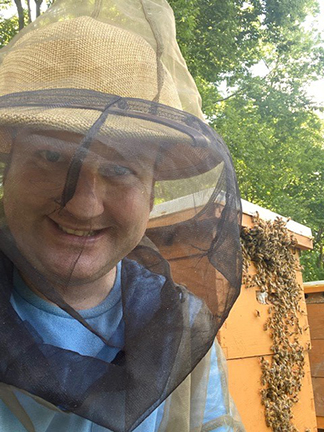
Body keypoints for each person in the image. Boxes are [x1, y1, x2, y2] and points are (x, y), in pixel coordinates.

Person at [0, 0, 244, 431]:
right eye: (52, 156)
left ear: (151, 194)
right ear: (8, 171)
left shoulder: (183, 328)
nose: (83, 204)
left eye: (120, 169)